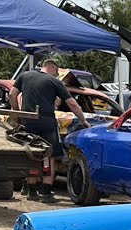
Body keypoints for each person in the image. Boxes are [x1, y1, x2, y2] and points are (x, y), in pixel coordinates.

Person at [9, 58, 89, 203]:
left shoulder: (24, 76)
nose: (56, 75)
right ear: (52, 68)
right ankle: (45, 192)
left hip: (27, 121)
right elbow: (71, 103)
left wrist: (17, 113)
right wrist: (83, 120)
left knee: (31, 154)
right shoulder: (55, 82)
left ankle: (31, 191)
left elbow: (12, 94)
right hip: (46, 122)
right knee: (48, 155)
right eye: (57, 72)